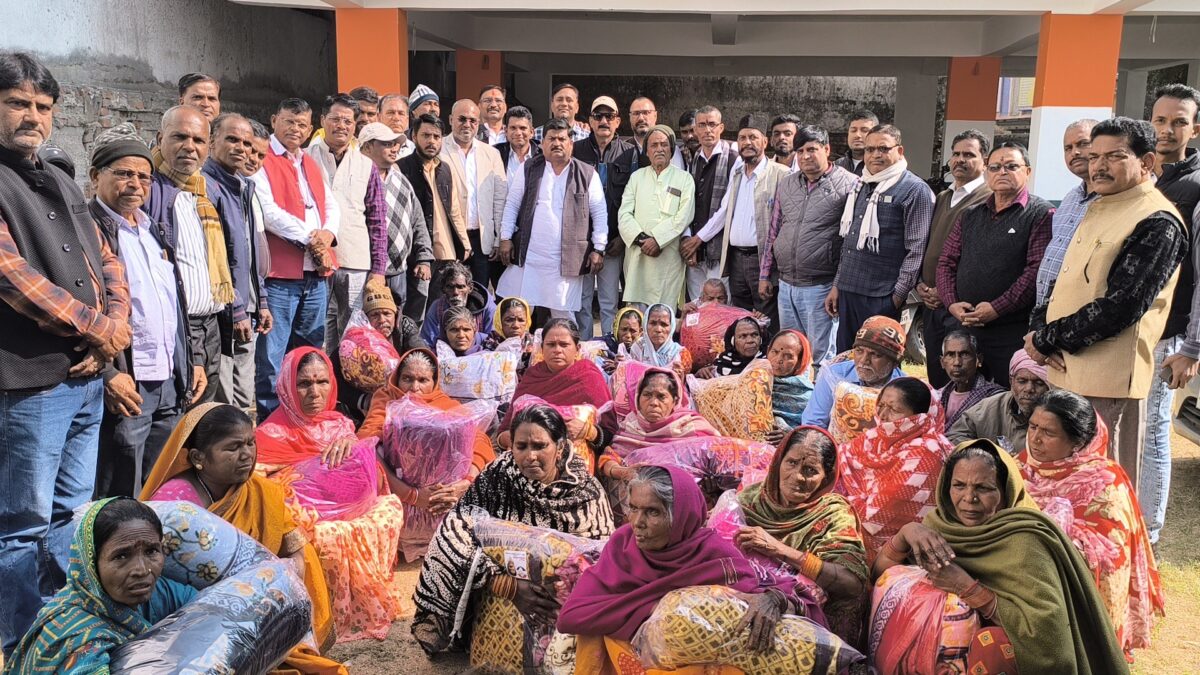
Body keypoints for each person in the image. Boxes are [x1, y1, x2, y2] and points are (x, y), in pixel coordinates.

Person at [0, 52, 131, 651]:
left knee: (72, 516)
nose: (33, 116)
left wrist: (116, 325)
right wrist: (97, 329)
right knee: (20, 525)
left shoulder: (58, 179)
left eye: (43, 106)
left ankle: (63, 632)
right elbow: (10, 276)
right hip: (31, 384)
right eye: (17, 103)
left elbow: (106, 258)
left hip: (85, 376)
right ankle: (23, 645)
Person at [870, 441, 1129, 674]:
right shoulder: (939, 526)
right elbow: (880, 577)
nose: (969, 498)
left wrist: (967, 588)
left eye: (983, 488)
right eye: (959, 486)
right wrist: (905, 534)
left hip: (1004, 660)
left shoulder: (1025, 540)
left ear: (1006, 491)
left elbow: (1048, 636)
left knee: (993, 646)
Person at [1027, 117, 1187, 489]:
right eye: (1094, 155)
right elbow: (1062, 282)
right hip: (1066, 371)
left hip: (1106, 385)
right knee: (1058, 485)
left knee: (1099, 490)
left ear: (1146, 162)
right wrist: (1038, 329)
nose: (1098, 165)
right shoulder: (1101, 205)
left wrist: (1047, 339)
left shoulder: (1156, 219)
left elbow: (1121, 307)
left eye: (1114, 156)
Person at [139, 403, 346, 673]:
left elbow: (295, 548)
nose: (247, 454)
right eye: (233, 447)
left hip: (261, 611)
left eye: (250, 443)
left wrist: (280, 593)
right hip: (192, 622)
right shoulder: (174, 502)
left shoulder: (260, 490)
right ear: (198, 457)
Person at [558, 465, 811, 670]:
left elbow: (756, 603)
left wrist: (774, 598)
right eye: (633, 508)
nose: (637, 522)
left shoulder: (714, 556)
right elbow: (573, 616)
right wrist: (659, 609)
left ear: (681, 516)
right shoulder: (622, 545)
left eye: (652, 512)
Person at [412, 404, 613, 654]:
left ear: (560, 448)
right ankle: (452, 627)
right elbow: (461, 521)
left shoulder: (585, 492)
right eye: (521, 446)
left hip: (557, 595)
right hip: (497, 581)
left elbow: (602, 556)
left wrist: (556, 580)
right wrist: (507, 585)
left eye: (540, 446)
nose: (530, 456)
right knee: (450, 532)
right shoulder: (500, 473)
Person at [253, 347, 406, 639]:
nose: (314, 392)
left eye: (322, 382)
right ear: (287, 386)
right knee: (326, 535)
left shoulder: (340, 424)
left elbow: (365, 471)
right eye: (303, 383)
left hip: (350, 512)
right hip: (306, 522)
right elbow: (259, 490)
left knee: (388, 507)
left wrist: (353, 445)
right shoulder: (269, 434)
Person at [1018, 390, 1164, 657]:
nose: (1035, 438)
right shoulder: (1022, 467)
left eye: (1048, 433)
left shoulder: (1105, 482)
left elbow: (1112, 561)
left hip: (1075, 588)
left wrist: (1058, 537)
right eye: (1033, 426)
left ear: (1077, 442)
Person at [89, 124, 193, 499]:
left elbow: (171, 304)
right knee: (120, 488)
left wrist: (190, 362)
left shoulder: (152, 230)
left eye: (144, 177)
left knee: (160, 480)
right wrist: (108, 374)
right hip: (128, 380)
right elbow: (86, 310)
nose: (135, 184)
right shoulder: (87, 230)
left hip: (168, 378)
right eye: (124, 174)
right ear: (95, 176)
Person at [3, 498, 197, 674]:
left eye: (151, 551)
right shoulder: (76, 639)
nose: (142, 569)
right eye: (121, 556)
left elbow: (203, 607)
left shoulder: (156, 593)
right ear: (91, 563)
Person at [736, 426, 869, 645]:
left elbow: (851, 583)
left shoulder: (834, 513)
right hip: (748, 599)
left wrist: (778, 549)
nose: (798, 476)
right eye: (791, 463)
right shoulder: (750, 500)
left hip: (810, 621)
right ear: (779, 461)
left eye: (810, 470)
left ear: (826, 477)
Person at [252, 97, 341, 421]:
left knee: (310, 350)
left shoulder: (309, 162)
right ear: (274, 120)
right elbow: (268, 212)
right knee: (273, 356)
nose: (296, 129)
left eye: (302, 124)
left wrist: (327, 234)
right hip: (281, 273)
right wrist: (310, 237)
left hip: (315, 273)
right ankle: (272, 422)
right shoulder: (262, 158)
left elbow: (331, 205)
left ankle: (306, 419)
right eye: (289, 121)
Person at [148, 105, 243, 406]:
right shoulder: (148, 191)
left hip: (211, 324)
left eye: (198, 140)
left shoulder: (204, 192)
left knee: (202, 416)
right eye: (180, 137)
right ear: (160, 138)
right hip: (178, 327)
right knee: (177, 415)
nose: (190, 147)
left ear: (208, 147)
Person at [937, 143, 1053, 387]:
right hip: (966, 326)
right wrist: (952, 304)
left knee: (1006, 397)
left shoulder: (1040, 214)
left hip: (1009, 330)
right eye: (995, 167)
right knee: (962, 395)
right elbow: (946, 262)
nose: (1002, 172)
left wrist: (996, 308)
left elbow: (1035, 272)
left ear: (1028, 171)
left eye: (1011, 166)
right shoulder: (970, 214)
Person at [1144, 84, 1200, 549]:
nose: (1167, 130)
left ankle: (1150, 535)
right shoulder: (1142, 177)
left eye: (1178, 122)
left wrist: (1192, 349)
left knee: (1154, 432)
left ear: (1194, 128)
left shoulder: (1196, 187)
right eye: (1160, 120)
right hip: (1130, 329)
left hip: (1170, 333)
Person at [829, 124, 934, 351]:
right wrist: (837, 284)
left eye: (883, 149)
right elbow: (849, 242)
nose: (876, 154)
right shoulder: (860, 184)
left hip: (882, 295)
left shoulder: (915, 189)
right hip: (849, 290)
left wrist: (897, 296)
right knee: (846, 356)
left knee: (878, 359)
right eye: (870, 149)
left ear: (900, 151)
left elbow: (917, 249)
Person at [760, 125, 857, 365]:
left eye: (812, 149)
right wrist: (765, 275)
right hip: (786, 285)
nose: (805, 156)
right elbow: (774, 231)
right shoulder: (787, 184)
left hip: (821, 286)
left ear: (827, 149)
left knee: (821, 356)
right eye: (800, 151)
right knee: (790, 352)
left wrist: (838, 285)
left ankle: (820, 390)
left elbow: (850, 243)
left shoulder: (850, 184)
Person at [496, 117, 607, 325]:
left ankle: (566, 346)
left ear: (571, 144)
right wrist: (505, 237)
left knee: (563, 315)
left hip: (566, 259)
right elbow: (512, 204)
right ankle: (516, 346)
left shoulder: (586, 173)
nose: (557, 143)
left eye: (562, 139)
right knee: (519, 311)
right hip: (530, 255)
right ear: (542, 143)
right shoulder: (528, 168)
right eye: (552, 139)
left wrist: (599, 248)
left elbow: (599, 213)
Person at [358, 348, 495, 511]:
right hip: (395, 493)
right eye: (407, 379)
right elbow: (368, 439)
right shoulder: (387, 398)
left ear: (434, 382)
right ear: (397, 379)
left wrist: (466, 482)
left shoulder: (444, 404)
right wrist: (412, 495)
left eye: (423, 380)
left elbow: (479, 440)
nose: (414, 387)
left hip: (443, 495)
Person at [684, 115, 788, 327]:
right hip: (736, 260)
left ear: (765, 142)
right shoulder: (737, 173)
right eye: (742, 138)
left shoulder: (781, 174)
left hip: (762, 261)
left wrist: (770, 271)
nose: (747, 143)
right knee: (740, 320)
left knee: (766, 321)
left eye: (753, 137)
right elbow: (725, 210)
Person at [837, 377, 953, 561]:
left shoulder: (926, 453)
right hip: (852, 514)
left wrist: (833, 504)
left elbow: (876, 518)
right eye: (881, 405)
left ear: (919, 417)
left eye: (894, 409)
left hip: (892, 549)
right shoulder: (877, 438)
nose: (882, 415)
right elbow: (842, 458)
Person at [306, 94, 389, 351]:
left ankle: (347, 377)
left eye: (348, 121)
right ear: (322, 120)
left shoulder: (366, 165)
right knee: (316, 329)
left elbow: (377, 220)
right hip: (313, 259)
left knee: (353, 331)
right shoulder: (305, 158)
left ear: (355, 126)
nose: (341, 126)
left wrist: (378, 269)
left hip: (356, 261)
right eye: (335, 119)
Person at [204, 113, 272, 414]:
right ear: (212, 141)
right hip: (224, 313)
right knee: (224, 400)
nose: (241, 149)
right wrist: (237, 310)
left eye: (246, 143)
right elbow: (216, 258)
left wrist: (262, 300)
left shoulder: (243, 186)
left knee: (245, 396)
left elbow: (249, 252)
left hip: (248, 306)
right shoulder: (206, 187)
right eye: (232, 140)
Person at [918, 129, 992, 388]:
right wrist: (921, 285)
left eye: (969, 154)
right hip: (930, 303)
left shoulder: (988, 198)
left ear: (985, 160)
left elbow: (978, 257)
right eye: (956, 154)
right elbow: (929, 245)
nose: (960, 160)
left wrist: (946, 293)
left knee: (961, 376)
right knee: (937, 372)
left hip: (959, 305)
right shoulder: (943, 197)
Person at [574, 96, 640, 336]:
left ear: (618, 121)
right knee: (581, 301)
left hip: (614, 241)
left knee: (609, 301)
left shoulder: (630, 153)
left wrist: (623, 238)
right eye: (598, 116)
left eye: (609, 116)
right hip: (581, 242)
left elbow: (636, 200)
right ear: (590, 121)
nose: (604, 121)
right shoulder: (576, 150)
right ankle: (583, 347)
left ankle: (609, 346)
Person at [397, 114, 472, 321]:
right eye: (426, 135)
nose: (431, 141)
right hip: (417, 250)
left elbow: (454, 209)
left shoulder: (444, 168)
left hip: (445, 250)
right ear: (414, 137)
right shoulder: (401, 168)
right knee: (416, 307)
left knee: (441, 308)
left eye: (436, 137)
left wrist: (464, 243)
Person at [502, 317, 617, 446]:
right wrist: (514, 439)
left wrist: (589, 431)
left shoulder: (589, 377)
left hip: (576, 455)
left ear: (577, 349)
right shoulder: (532, 376)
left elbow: (610, 431)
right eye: (551, 344)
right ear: (542, 348)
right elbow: (505, 430)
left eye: (564, 345)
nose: (557, 350)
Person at [619, 125, 696, 310]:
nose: (659, 149)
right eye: (654, 145)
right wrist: (642, 240)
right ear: (647, 151)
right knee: (636, 313)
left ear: (671, 149)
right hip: (639, 255)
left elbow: (684, 216)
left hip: (667, 255)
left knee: (664, 312)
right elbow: (624, 214)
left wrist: (657, 240)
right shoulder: (636, 177)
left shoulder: (684, 179)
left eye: (664, 144)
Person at [358, 121, 433, 310]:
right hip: (363, 270)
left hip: (399, 270)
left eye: (395, 144)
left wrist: (423, 257)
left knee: (396, 321)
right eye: (387, 144)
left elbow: (418, 221)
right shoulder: (356, 180)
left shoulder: (402, 181)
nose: (394, 149)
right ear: (367, 147)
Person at [330, 280, 424, 427]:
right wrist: (364, 401)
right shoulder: (355, 339)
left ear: (395, 315)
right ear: (366, 319)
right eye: (375, 315)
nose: (382, 320)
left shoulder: (406, 329)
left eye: (387, 314)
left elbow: (423, 358)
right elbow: (334, 378)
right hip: (363, 406)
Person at [601, 368, 719, 482]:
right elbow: (609, 458)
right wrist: (620, 471)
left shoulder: (692, 427)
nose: (654, 403)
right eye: (647, 395)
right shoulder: (630, 426)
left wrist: (713, 481)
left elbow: (718, 457)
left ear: (675, 401)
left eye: (661, 396)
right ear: (638, 398)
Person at [441, 98, 507, 290]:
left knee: (478, 293)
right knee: (450, 294)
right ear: (451, 119)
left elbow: (499, 200)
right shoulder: (438, 149)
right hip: (450, 237)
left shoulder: (491, 154)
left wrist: (498, 238)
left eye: (472, 120)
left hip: (481, 239)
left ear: (479, 123)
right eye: (462, 119)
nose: (467, 124)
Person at [1034, 119, 1099, 306]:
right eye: (1067, 148)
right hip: (1046, 311)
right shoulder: (1070, 198)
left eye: (1083, 144)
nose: (1074, 152)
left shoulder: (1113, 200)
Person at [801, 315, 905, 432]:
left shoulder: (905, 390)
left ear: (894, 363)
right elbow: (813, 424)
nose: (864, 360)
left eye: (875, 355)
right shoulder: (833, 375)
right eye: (859, 351)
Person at [948, 349, 1049, 454]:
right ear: (1011, 381)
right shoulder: (993, 406)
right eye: (1022, 381)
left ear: (1049, 386)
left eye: (1039, 383)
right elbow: (955, 436)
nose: (1029, 389)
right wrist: (986, 456)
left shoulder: (1055, 413)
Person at [684, 106, 738, 300]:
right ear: (695, 129)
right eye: (702, 125)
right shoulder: (693, 160)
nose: (708, 130)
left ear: (721, 128)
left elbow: (726, 209)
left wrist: (698, 239)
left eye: (712, 124)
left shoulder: (733, 159)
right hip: (695, 250)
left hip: (718, 250)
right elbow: (687, 205)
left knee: (719, 305)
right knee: (698, 305)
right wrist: (688, 240)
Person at [934, 331, 1005, 430]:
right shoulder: (938, 397)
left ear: (979, 359)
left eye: (964, 354)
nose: (957, 362)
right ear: (942, 362)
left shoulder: (995, 398)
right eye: (950, 355)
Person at [419, 260, 496, 346]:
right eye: (450, 287)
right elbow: (427, 342)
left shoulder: (487, 307)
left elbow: (493, 339)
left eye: (460, 287)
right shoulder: (437, 308)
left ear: (470, 288)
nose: (455, 292)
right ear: (443, 289)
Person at [765, 329, 814, 435]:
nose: (778, 359)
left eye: (788, 356)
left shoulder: (808, 396)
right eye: (775, 352)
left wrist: (789, 435)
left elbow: (813, 432)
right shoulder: (755, 381)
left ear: (800, 362)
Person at [628, 302, 693, 377]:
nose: (658, 329)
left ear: (672, 327)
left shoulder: (680, 354)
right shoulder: (638, 348)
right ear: (645, 324)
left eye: (664, 324)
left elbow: (683, 382)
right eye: (653, 323)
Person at [697, 316, 765, 379]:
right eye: (743, 336)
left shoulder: (767, 361)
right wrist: (700, 374)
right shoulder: (720, 365)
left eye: (755, 335)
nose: (750, 340)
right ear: (733, 341)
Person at [494, 106, 540, 180]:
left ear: (532, 132)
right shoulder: (495, 153)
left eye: (522, 128)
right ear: (506, 131)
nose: (518, 133)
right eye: (513, 128)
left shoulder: (542, 155)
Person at [600, 306, 643, 374]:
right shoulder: (606, 343)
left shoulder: (646, 348)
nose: (628, 335)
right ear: (616, 329)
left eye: (633, 331)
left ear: (640, 331)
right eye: (624, 329)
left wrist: (626, 367)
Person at [833, 110, 877, 177]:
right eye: (853, 130)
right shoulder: (837, 166)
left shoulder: (880, 166)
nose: (857, 135)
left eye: (864, 130)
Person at [378, 93, 415, 159]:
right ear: (379, 117)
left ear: (407, 119)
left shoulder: (414, 149)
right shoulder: (371, 147)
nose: (396, 118)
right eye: (391, 112)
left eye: (401, 113)